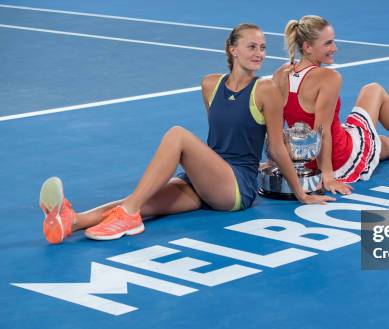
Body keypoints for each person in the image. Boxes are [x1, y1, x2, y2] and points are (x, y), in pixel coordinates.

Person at [39, 23, 334, 244]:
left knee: (178, 135)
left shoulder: (266, 89)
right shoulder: (210, 85)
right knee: (143, 200)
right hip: (206, 180)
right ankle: (70, 222)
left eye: (263, 47)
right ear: (234, 50)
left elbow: (276, 147)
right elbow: (221, 138)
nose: (260, 54)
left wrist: (301, 193)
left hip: (235, 188)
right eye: (252, 47)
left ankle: (127, 215)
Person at [273, 15, 389, 196]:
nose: (335, 48)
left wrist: (275, 160)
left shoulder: (281, 73)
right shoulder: (329, 78)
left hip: (302, 161)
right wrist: (328, 177)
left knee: (387, 145)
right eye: (328, 43)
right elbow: (322, 133)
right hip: (341, 156)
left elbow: (277, 125)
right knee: (373, 90)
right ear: (307, 47)